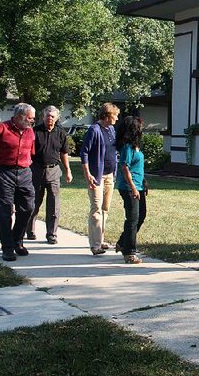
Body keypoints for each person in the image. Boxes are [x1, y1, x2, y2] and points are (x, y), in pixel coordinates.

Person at [0, 103, 37, 261]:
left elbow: (30, 152)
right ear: (20, 116)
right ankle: (7, 248)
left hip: (24, 172)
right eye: (30, 118)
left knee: (28, 207)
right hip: (3, 172)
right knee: (4, 211)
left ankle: (17, 241)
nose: (32, 121)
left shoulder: (30, 131)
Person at [25, 105, 72, 244]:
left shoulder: (61, 133)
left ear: (56, 118)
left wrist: (68, 170)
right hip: (36, 170)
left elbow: (64, 153)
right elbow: (28, 151)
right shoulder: (34, 131)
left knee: (54, 204)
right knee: (34, 203)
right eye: (47, 115)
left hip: (54, 171)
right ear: (43, 116)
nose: (49, 118)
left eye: (52, 116)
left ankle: (52, 234)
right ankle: (30, 230)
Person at [80, 102, 119, 255]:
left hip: (110, 175)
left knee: (105, 208)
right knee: (96, 208)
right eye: (115, 115)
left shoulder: (111, 129)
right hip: (96, 176)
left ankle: (101, 240)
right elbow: (84, 153)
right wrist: (87, 174)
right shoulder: (94, 130)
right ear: (107, 116)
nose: (116, 118)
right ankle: (95, 245)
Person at [114, 116, 147, 264]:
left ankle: (122, 242)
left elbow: (137, 166)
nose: (142, 129)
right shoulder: (127, 147)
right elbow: (124, 167)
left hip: (139, 186)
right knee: (132, 219)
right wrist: (133, 187)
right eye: (140, 126)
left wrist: (143, 183)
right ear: (134, 129)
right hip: (128, 187)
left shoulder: (136, 146)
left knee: (141, 216)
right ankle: (129, 253)